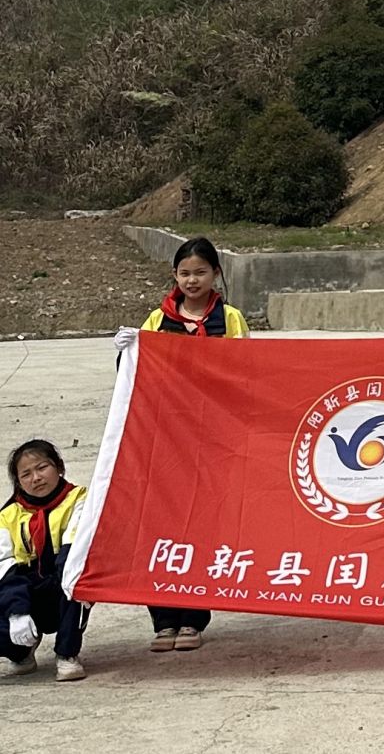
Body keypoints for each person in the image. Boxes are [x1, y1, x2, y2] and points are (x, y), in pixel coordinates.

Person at [141, 235, 247, 651]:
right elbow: (138, 373)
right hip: (165, 438)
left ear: (216, 274)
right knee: (162, 525)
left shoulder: (231, 318)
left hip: (212, 439)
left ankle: (193, 620)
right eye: (184, 273)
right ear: (174, 276)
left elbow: (248, 372)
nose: (192, 279)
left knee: (200, 527)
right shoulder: (156, 319)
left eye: (200, 271)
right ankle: (162, 619)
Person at [1, 439, 88, 682]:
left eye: (42, 468)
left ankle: (67, 654)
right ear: (18, 482)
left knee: (77, 580)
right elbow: (5, 568)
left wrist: (66, 580)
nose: (36, 478)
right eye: (26, 474)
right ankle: (20, 653)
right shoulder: (7, 515)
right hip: (25, 586)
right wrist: (17, 612)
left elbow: (74, 550)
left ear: (59, 467)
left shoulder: (79, 499)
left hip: (62, 579)